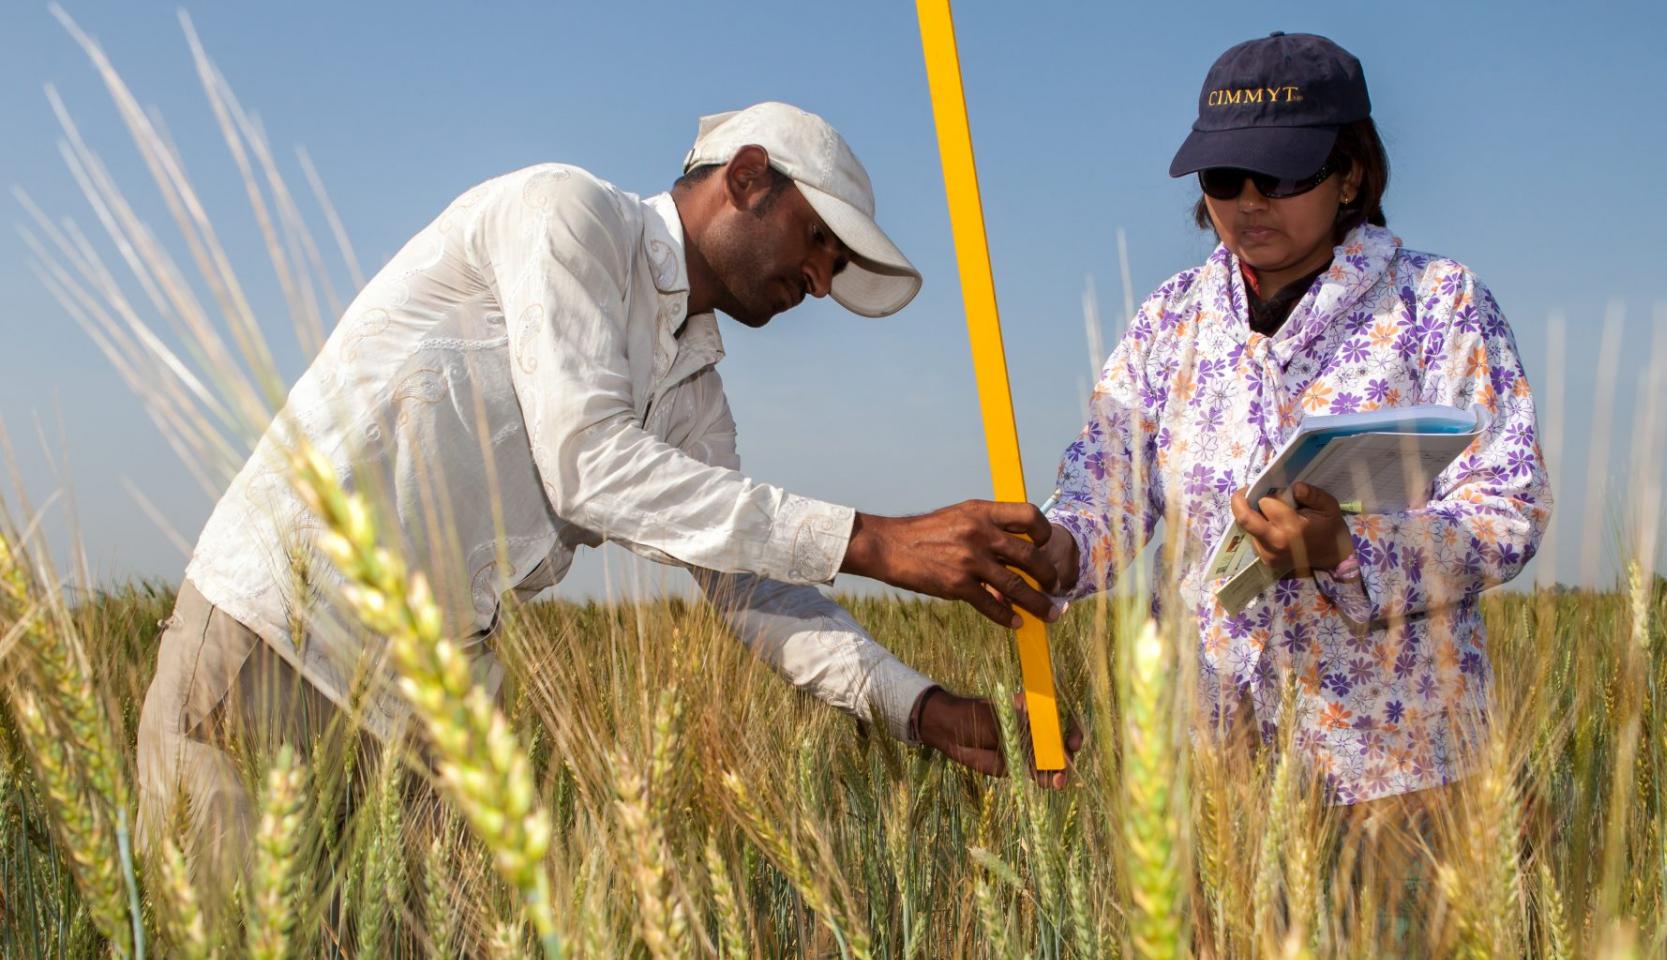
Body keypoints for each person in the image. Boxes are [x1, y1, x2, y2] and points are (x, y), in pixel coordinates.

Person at [135, 102, 1074, 895]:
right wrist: (875, 542)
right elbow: (588, 461)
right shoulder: (568, 214)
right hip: (276, 639)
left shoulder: (693, 386)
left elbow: (751, 586)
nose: (822, 280)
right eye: (819, 240)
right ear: (748, 177)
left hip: (424, 709)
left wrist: (922, 708)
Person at [1038, 31, 1552, 808]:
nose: (1249, 201)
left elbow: (1507, 507)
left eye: (1281, 173)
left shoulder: (1439, 303)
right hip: (1205, 762)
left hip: (1396, 766)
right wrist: (1056, 547)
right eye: (1224, 175)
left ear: (1351, 173)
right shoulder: (1169, 319)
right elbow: (1107, 487)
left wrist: (1349, 550)